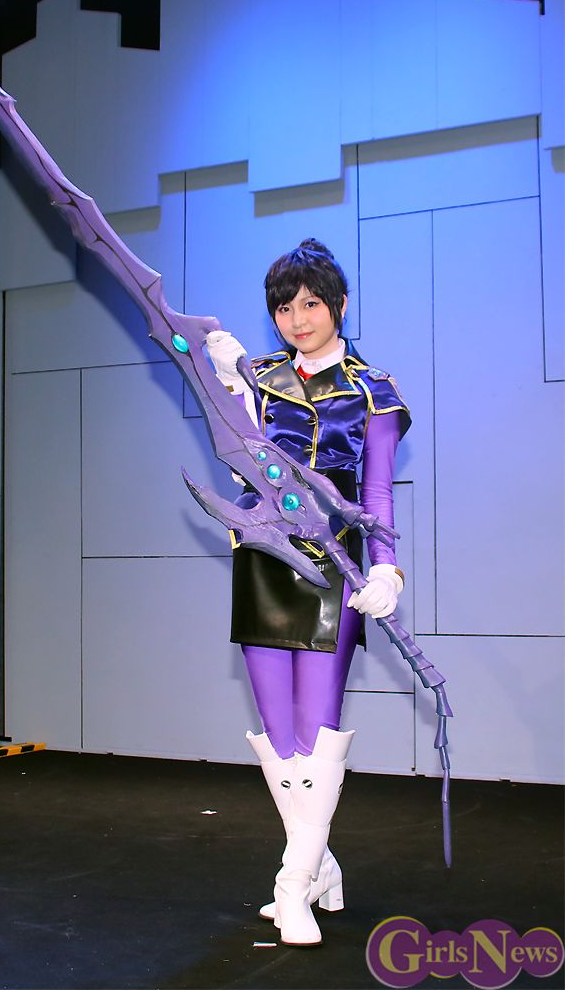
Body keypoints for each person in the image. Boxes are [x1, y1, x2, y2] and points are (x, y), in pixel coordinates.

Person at [206, 239, 411, 947]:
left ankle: (291, 886)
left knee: (316, 728)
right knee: (279, 736)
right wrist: (228, 381)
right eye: (284, 308)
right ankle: (318, 865)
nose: (297, 320)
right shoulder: (257, 376)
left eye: (311, 304)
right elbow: (239, 460)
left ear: (339, 305)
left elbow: (377, 492)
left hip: (336, 565)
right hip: (262, 558)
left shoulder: (373, 388)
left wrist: (387, 569)